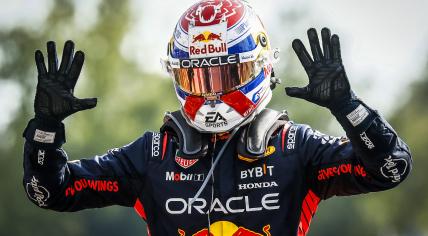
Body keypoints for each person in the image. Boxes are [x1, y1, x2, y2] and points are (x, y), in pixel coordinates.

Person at [22, 0, 412, 235]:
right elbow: (50, 192)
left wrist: (349, 107)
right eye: (197, 76)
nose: (211, 92)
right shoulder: (155, 154)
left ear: (259, 68)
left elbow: (391, 168)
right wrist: (45, 129)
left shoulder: (295, 147)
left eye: (225, 74)